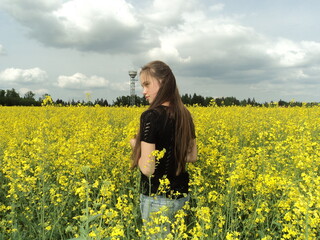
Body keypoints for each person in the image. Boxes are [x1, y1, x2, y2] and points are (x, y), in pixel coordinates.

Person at [130, 60, 197, 238]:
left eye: (147, 84)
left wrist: (135, 148)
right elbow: (192, 156)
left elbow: (148, 169)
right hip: (181, 196)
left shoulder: (151, 116)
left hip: (157, 199)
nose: (143, 91)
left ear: (163, 82)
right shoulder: (185, 113)